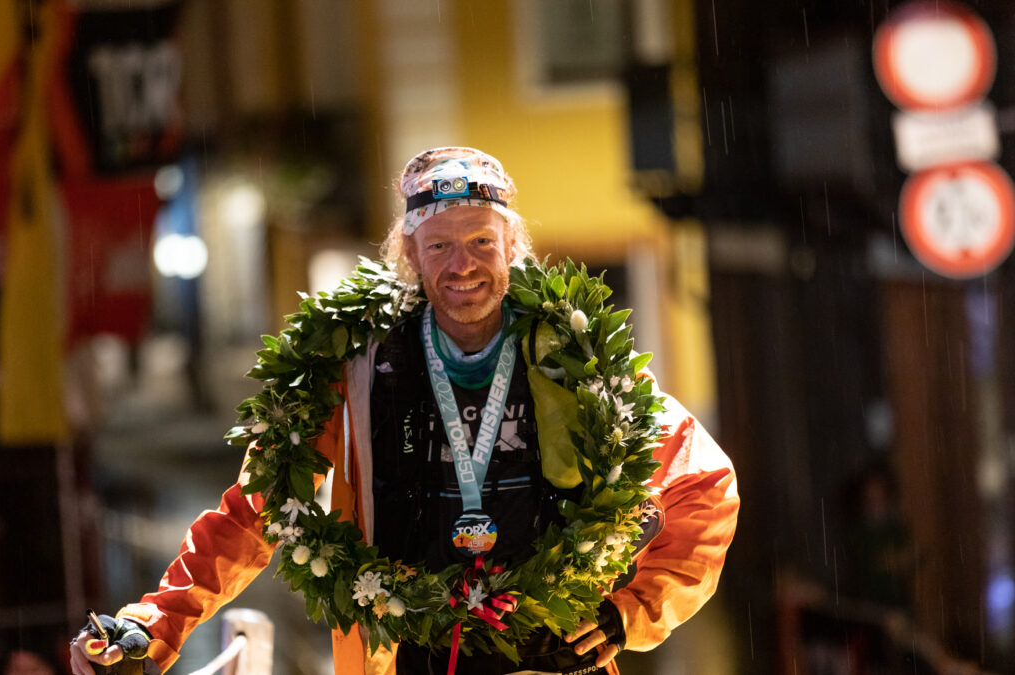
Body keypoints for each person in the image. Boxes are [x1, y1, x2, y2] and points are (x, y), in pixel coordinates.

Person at [69, 147, 739, 675]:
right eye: (440, 244)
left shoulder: (571, 360)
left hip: (552, 656)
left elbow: (704, 485)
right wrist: (157, 624)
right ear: (409, 254)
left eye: (480, 241)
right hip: (410, 655)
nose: (463, 265)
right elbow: (257, 507)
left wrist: (633, 610)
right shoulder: (357, 365)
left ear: (511, 246)